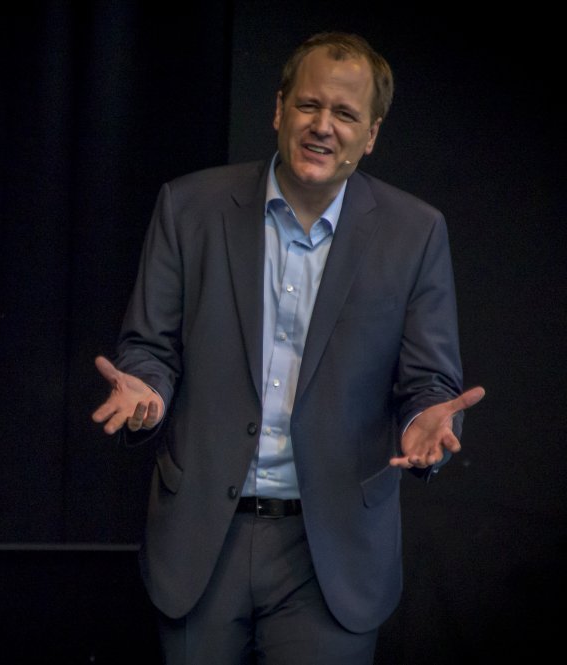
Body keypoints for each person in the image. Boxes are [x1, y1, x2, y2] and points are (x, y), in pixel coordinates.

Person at [91, 31, 485, 664]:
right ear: (279, 110)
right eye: (308, 105)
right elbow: (148, 350)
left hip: (332, 551)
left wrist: (425, 422)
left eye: (345, 114)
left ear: (371, 134)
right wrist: (149, 395)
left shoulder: (415, 232)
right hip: (202, 539)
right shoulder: (189, 207)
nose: (322, 126)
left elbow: (429, 383)